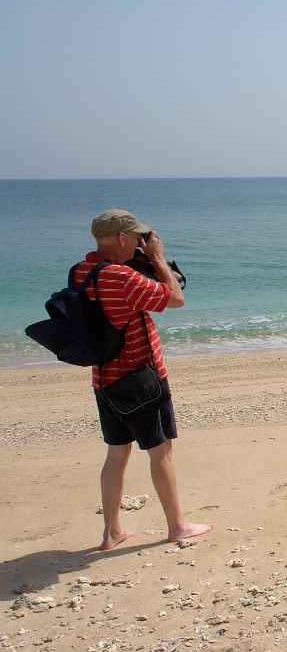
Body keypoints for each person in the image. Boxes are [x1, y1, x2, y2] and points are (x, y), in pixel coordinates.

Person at [73, 209, 210, 550]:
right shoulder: (122, 278)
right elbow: (175, 297)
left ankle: (111, 532)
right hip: (142, 379)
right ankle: (177, 526)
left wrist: (139, 261)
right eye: (135, 238)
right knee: (161, 452)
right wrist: (158, 259)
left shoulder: (82, 272)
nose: (139, 243)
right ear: (122, 239)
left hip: (104, 379)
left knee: (116, 454)